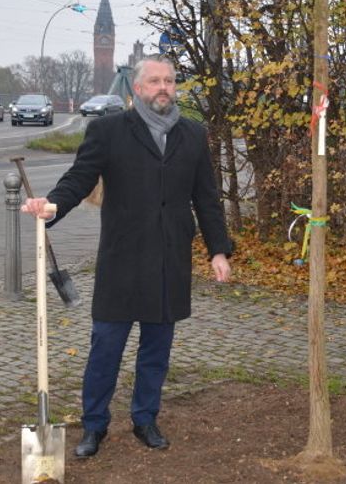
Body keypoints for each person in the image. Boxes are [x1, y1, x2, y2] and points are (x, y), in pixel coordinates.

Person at [22, 55, 233, 457]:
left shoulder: (192, 134)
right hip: (122, 259)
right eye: (154, 81)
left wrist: (218, 250)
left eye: (169, 81)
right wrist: (52, 206)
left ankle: (145, 419)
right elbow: (79, 178)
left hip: (170, 260)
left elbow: (206, 198)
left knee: (156, 351)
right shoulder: (109, 131)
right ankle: (94, 426)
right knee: (106, 348)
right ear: (137, 89)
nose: (163, 87)